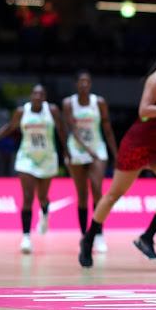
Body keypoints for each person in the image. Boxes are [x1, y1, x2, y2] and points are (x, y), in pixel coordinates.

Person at [78, 40, 156, 268]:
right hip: (138, 143)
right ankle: (89, 238)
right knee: (114, 194)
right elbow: (144, 111)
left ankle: (147, 237)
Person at [0, 84, 67, 254]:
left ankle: (45, 213)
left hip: (47, 158)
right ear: (31, 96)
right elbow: (9, 127)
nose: (37, 96)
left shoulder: (53, 111)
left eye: (41, 94)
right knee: (28, 197)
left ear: (45, 97)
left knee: (42, 197)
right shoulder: (22, 112)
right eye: (35, 93)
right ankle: (26, 237)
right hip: (27, 158)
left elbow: (61, 131)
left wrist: (66, 150)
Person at [63, 70, 118, 253]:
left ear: (91, 84)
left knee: (96, 189)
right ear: (76, 84)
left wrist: (116, 154)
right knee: (82, 195)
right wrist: (88, 151)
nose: (84, 84)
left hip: (98, 148)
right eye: (81, 81)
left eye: (87, 81)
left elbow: (107, 128)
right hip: (77, 150)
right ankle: (84, 236)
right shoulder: (68, 103)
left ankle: (98, 234)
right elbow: (73, 129)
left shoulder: (99, 102)